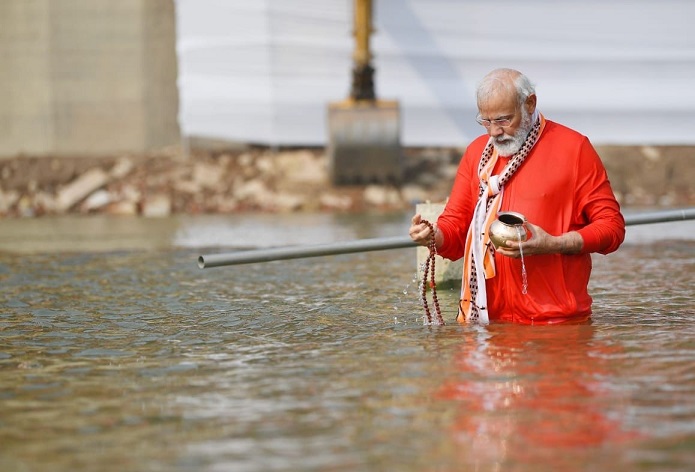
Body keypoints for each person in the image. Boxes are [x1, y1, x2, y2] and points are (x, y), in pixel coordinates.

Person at [409, 68, 625, 324]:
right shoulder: (476, 153)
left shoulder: (574, 149)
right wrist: (434, 235)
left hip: (554, 324)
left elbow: (612, 229)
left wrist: (554, 244)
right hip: (485, 322)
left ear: (530, 103)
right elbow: (456, 228)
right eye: (485, 121)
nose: (493, 132)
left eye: (503, 120)